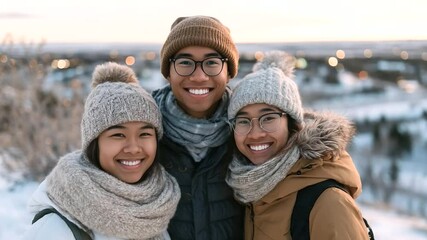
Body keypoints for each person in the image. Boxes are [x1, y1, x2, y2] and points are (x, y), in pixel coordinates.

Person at [24, 62, 181, 240]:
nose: (133, 148)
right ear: (94, 142)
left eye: (144, 133)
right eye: (118, 135)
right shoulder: (56, 229)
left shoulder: (155, 209)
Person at [226, 51, 371, 239]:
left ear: (293, 125)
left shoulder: (328, 203)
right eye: (243, 121)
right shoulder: (248, 191)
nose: (255, 133)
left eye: (268, 118)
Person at [152, 15, 244, 239]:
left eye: (212, 62)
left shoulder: (251, 134)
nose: (199, 76)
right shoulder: (142, 133)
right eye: (185, 62)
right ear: (168, 72)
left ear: (229, 72)